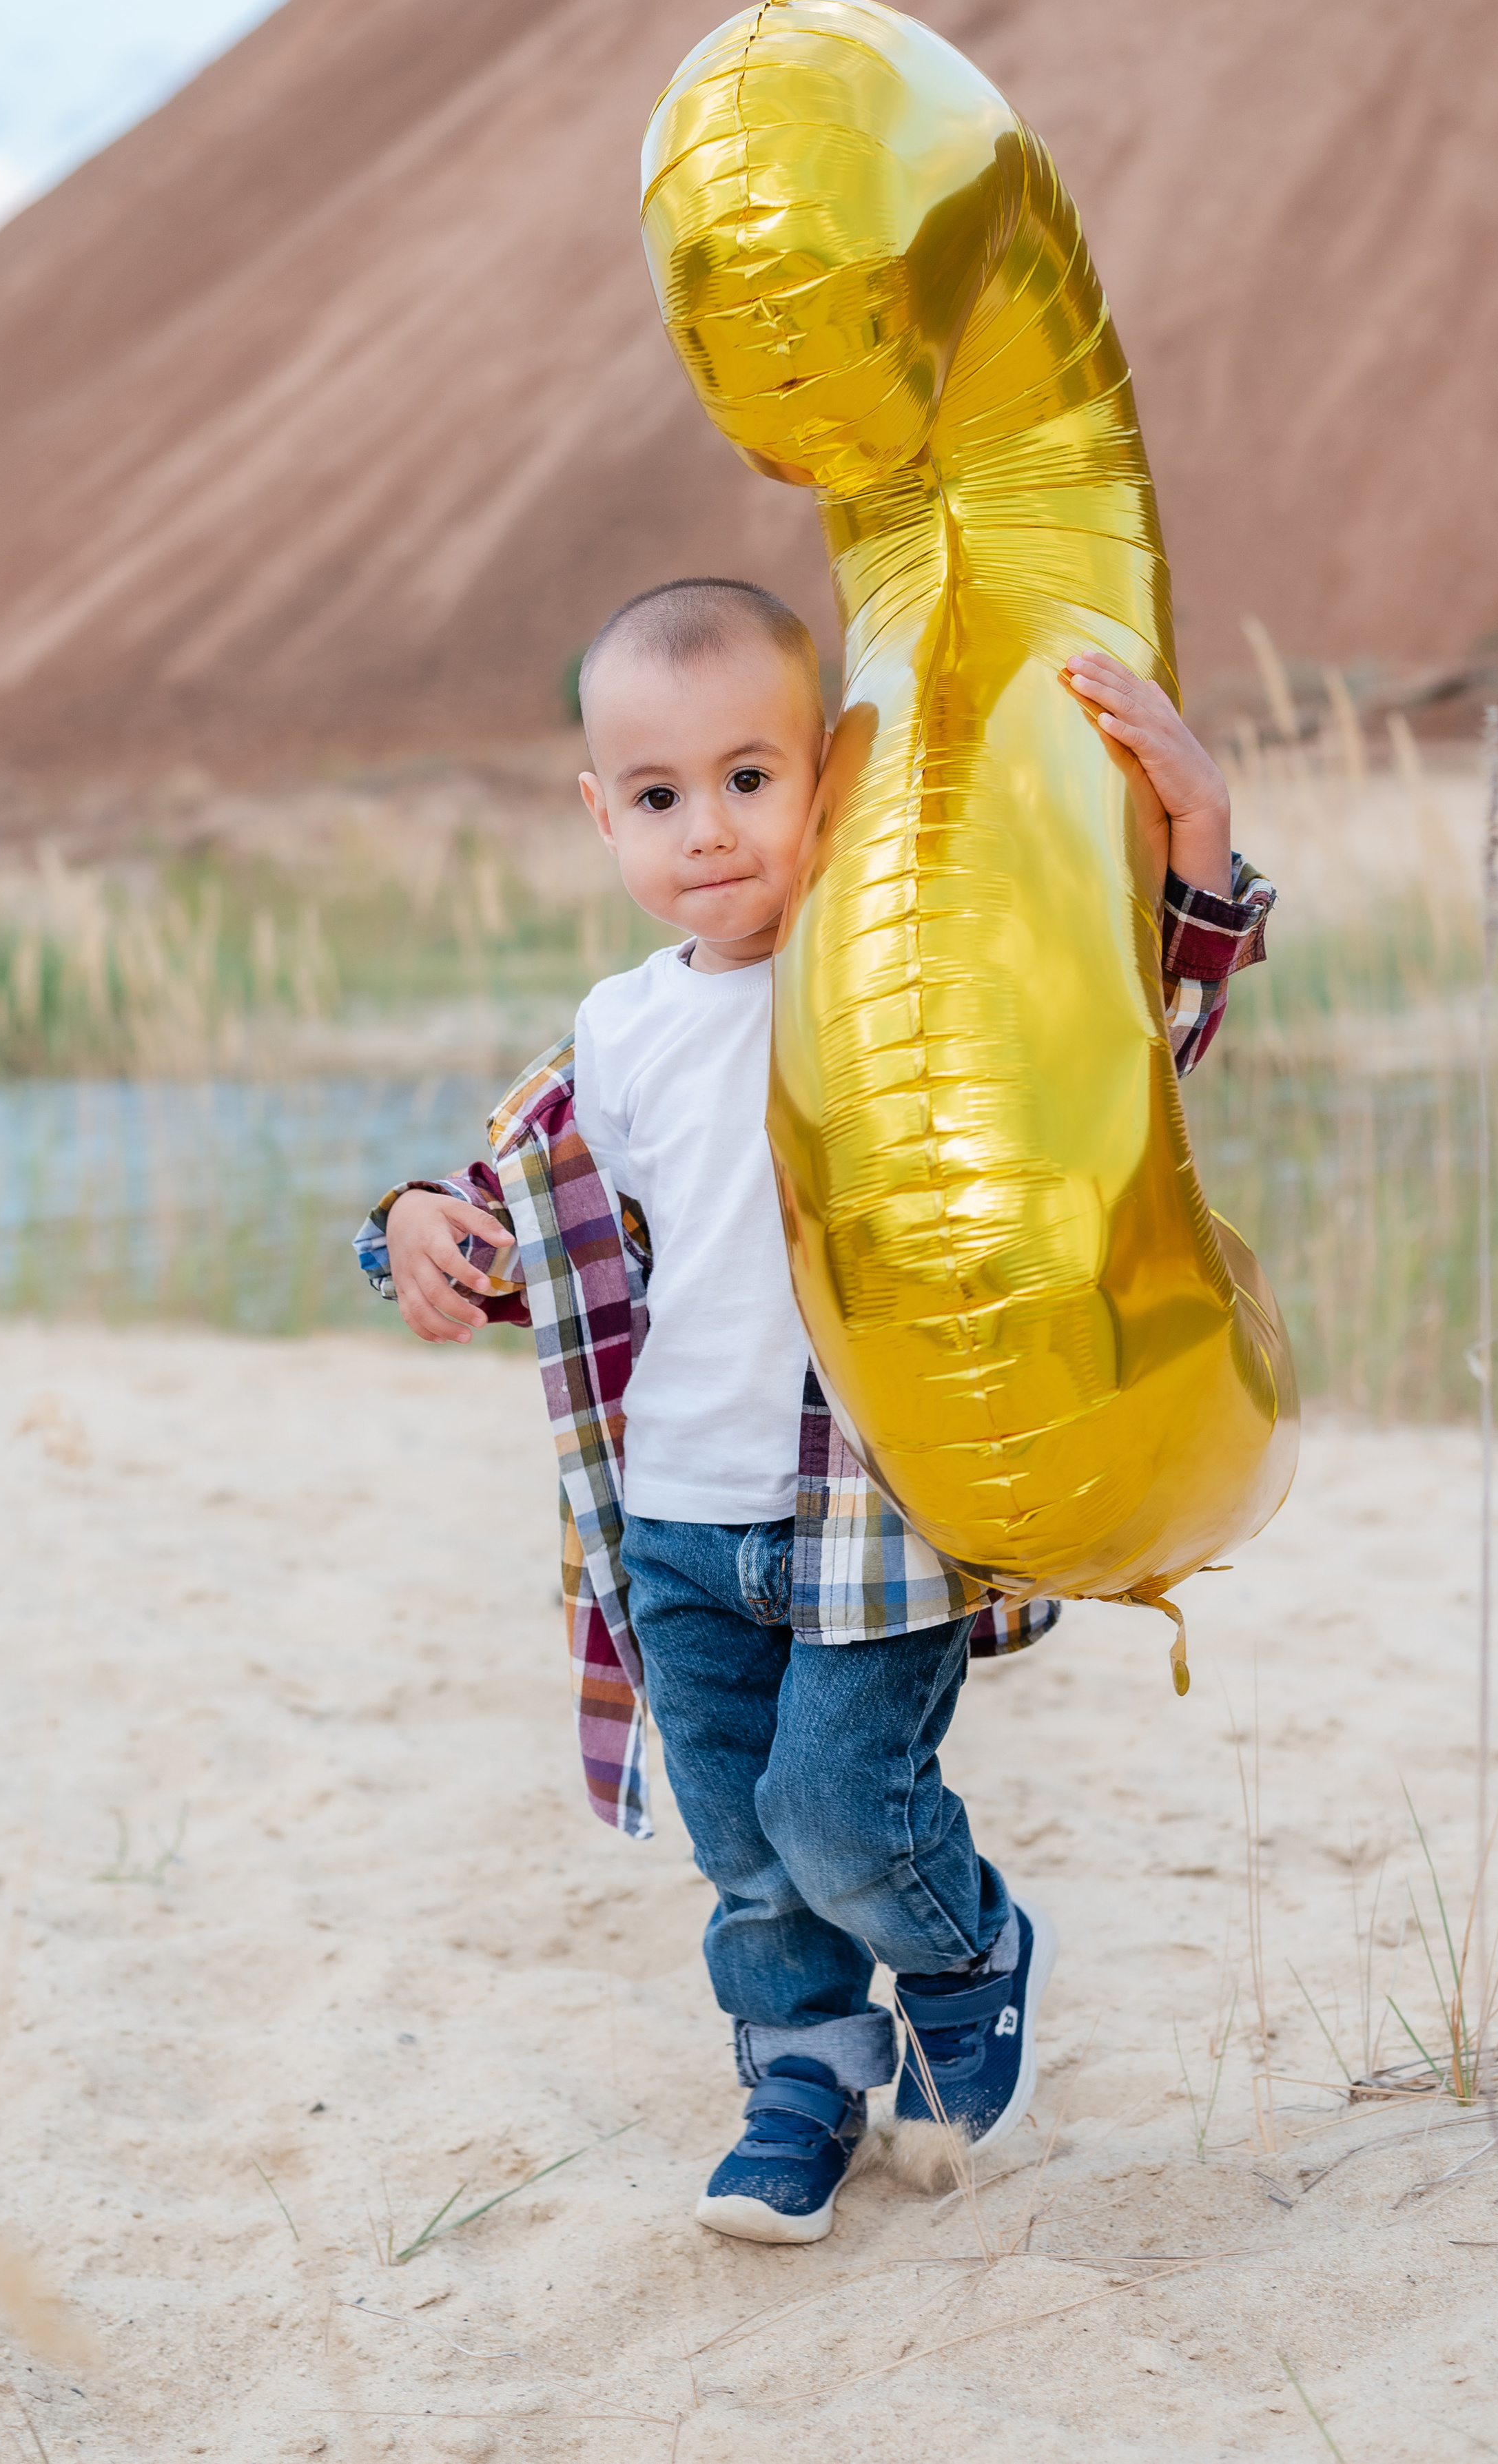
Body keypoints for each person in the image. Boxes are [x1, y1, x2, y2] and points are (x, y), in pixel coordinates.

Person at [355, 576, 1273, 2246]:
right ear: (602, 816)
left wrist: (1194, 827)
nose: (706, 830)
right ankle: (801, 2075)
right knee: (745, 1850)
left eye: (747, 779)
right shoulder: (622, 1028)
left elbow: (1124, 1043)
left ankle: (967, 1955)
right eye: (657, 797)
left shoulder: (906, 974)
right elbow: (536, 1216)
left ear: (834, 776)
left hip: (866, 1506)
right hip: (674, 1518)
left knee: (837, 1810)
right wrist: (419, 1223)